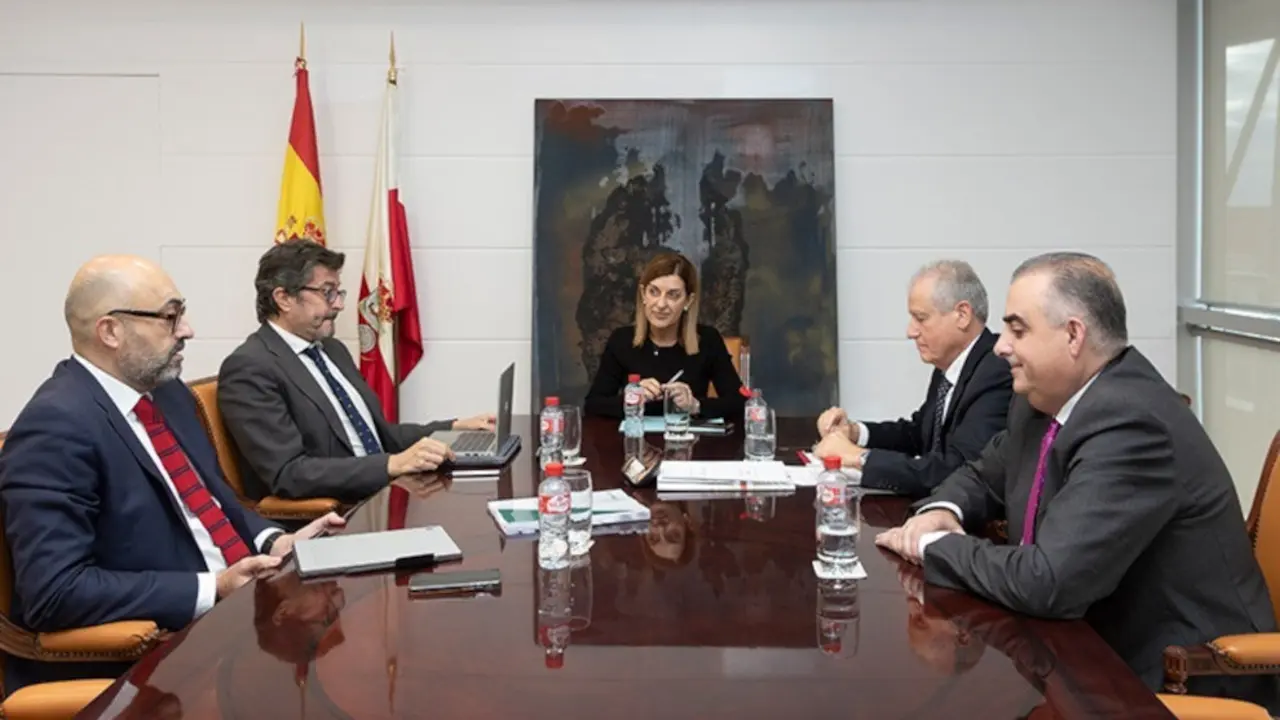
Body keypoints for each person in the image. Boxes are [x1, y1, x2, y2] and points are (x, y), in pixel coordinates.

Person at [874, 252, 1277, 703]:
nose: (1001, 345)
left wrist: (932, 547)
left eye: (1017, 329)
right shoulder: (1039, 399)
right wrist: (942, 510)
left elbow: (1049, 582)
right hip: (1077, 647)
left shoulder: (1132, 422)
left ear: (1073, 335)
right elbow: (984, 473)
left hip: (1177, 674)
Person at [0, 255, 344, 692]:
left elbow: (216, 498)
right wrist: (212, 587)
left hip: (239, 616)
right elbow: (55, 591)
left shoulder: (165, 393)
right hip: (148, 662)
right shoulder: (55, 427)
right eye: (170, 316)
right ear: (110, 331)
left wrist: (275, 540)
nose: (187, 330)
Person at [218, 240, 495, 504]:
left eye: (338, 293)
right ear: (284, 298)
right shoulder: (250, 368)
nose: (338, 304)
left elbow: (381, 436)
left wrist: (452, 428)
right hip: (334, 515)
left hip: (382, 495)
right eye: (327, 292)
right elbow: (289, 473)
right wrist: (391, 464)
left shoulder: (331, 350)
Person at [814, 261, 1012, 498]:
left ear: (962, 315)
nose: (911, 331)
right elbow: (919, 434)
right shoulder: (949, 365)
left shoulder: (997, 371)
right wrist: (856, 432)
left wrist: (859, 457)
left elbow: (958, 469)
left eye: (921, 318)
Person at [584, 252, 746, 420]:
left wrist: (695, 405)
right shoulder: (622, 340)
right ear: (643, 294)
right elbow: (593, 405)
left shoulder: (707, 340)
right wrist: (630, 400)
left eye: (673, 295)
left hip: (689, 441)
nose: (661, 304)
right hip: (635, 441)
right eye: (654, 292)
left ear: (688, 301)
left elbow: (740, 404)